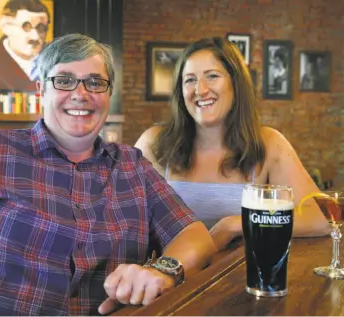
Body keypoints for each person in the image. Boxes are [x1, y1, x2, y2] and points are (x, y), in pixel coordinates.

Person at [0, 34, 215, 316]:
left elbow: (194, 235)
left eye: (95, 82)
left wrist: (162, 271)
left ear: (109, 94)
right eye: (64, 81)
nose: (80, 94)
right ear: (41, 90)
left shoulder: (133, 165)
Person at [135, 37, 331, 251]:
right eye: (189, 80)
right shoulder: (153, 144)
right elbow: (120, 223)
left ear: (235, 84)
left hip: (241, 278)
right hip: (173, 279)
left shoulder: (269, 144)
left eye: (212, 76)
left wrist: (236, 224)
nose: (200, 90)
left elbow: (321, 217)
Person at [0, 0, 50, 91]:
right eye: (26, 26)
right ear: (6, 26)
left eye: (41, 28)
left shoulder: (57, 62)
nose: (35, 36)